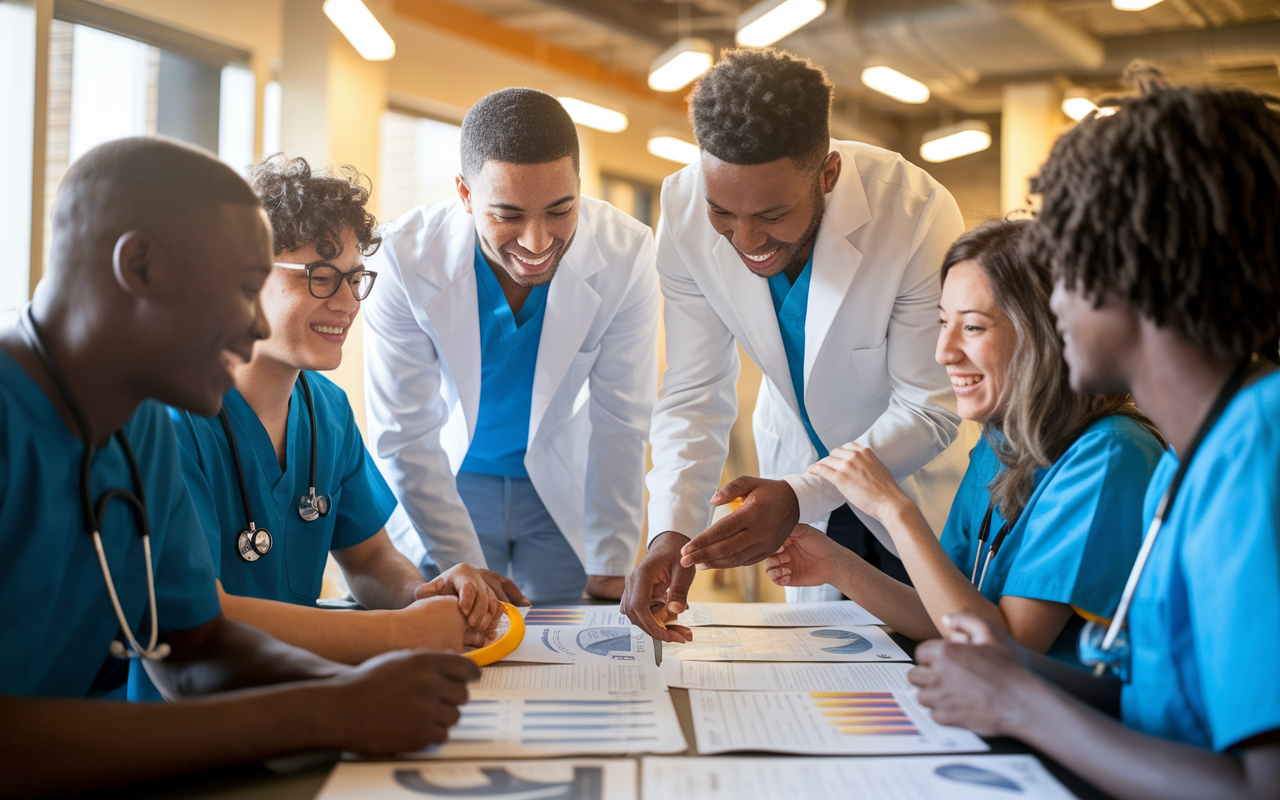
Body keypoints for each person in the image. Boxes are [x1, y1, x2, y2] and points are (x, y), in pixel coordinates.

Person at [0, 138, 478, 797]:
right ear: (140, 266)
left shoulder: (138, 426)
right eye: (245, 289)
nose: (256, 324)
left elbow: (192, 649)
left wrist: (363, 689)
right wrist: (331, 705)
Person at [907, 75, 1280, 798]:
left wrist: (1020, 702)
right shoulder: (1186, 459)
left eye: (1066, 266)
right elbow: (1154, 709)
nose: (1054, 302)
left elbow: (1259, 788)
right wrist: (1012, 669)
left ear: (1133, 267)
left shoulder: (1257, 450)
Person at [128, 156, 527, 703]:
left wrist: (421, 595)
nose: (345, 302)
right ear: (243, 277)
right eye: (320, 277)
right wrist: (399, 633)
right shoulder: (172, 420)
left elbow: (367, 559)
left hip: (296, 697)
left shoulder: (327, 411)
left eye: (355, 278)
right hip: (188, 720)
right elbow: (201, 613)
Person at [624, 47, 970, 641]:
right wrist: (670, 530)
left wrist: (800, 494)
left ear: (827, 174)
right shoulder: (681, 212)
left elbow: (928, 406)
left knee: (935, 659)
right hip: (793, 473)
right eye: (723, 213)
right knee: (819, 668)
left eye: (773, 214)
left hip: (909, 483)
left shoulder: (914, 212)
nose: (747, 239)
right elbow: (693, 391)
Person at [763, 219, 1165, 663]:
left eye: (972, 327)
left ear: (1045, 334)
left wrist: (892, 509)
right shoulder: (1000, 444)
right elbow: (948, 615)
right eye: (943, 323)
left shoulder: (1108, 455)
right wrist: (836, 565)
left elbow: (1007, 648)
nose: (944, 352)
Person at [363, 88, 658, 603]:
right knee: (465, 642)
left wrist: (612, 557)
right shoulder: (403, 259)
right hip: (450, 481)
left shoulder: (626, 252)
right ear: (464, 193)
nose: (537, 242)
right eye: (508, 216)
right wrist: (464, 566)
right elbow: (406, 432)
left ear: (579, 187)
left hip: (561, 490)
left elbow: (622, 417)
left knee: (572, 654)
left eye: (560, 210)